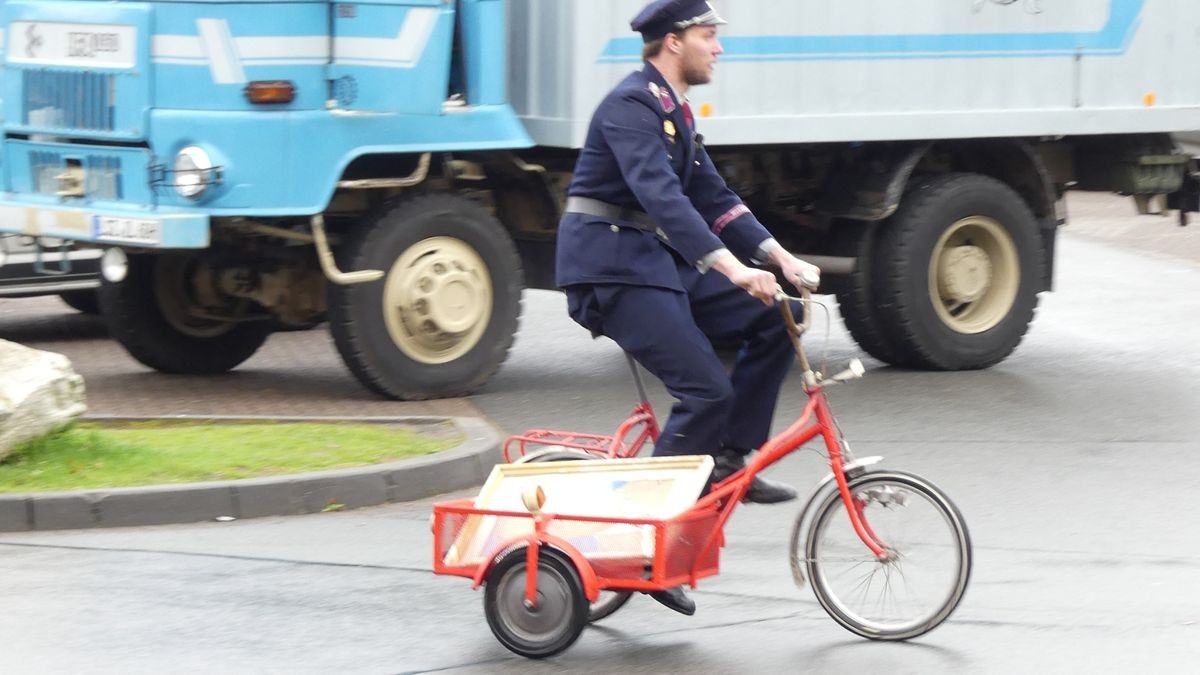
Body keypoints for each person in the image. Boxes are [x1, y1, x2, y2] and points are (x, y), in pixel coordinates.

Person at [555, 0, 822, 615]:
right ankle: (645, 546)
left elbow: (715, 197)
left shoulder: (673, 109)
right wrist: (731, 266)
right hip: (611, 269)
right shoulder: (630, 105)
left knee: (779, 312)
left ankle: (728, 461)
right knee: (705, 391)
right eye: (708, 35)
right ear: (673, 42)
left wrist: (779, 259)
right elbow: (662, 196)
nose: (718, 47)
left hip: (651, 263)